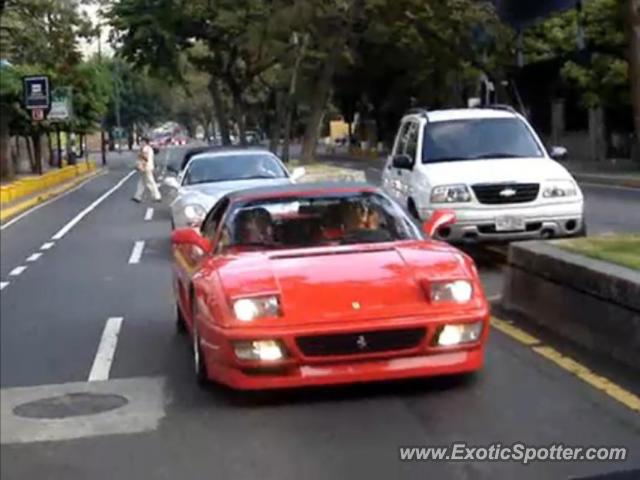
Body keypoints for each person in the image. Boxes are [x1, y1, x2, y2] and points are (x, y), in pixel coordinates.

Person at [132, 136, 161, 203]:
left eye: (142, 141)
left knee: (150, 182)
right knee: (142, 182)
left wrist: (140, 154)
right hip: (146, 167)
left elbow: (146, 158)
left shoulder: (145, 149)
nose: (140, 143)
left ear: (145, 142)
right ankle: (137, 196)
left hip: (146, 167)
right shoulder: (148, 148)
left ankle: (157, 196)